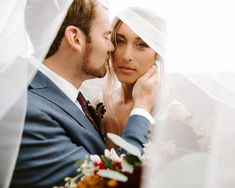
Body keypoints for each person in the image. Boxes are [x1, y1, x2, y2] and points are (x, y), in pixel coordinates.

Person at [10, 1, 157, 187]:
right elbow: (108, 183)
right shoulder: (28, 114)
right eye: (106, 37)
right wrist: (142, 109)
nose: (112, 49)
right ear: (75, 38)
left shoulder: (59, 95)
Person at [103, 7, 204, 151]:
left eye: (141, 45)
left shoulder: (176, 116)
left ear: (158, 54)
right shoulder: (103, 106)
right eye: (120, 41)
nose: (126, 56)